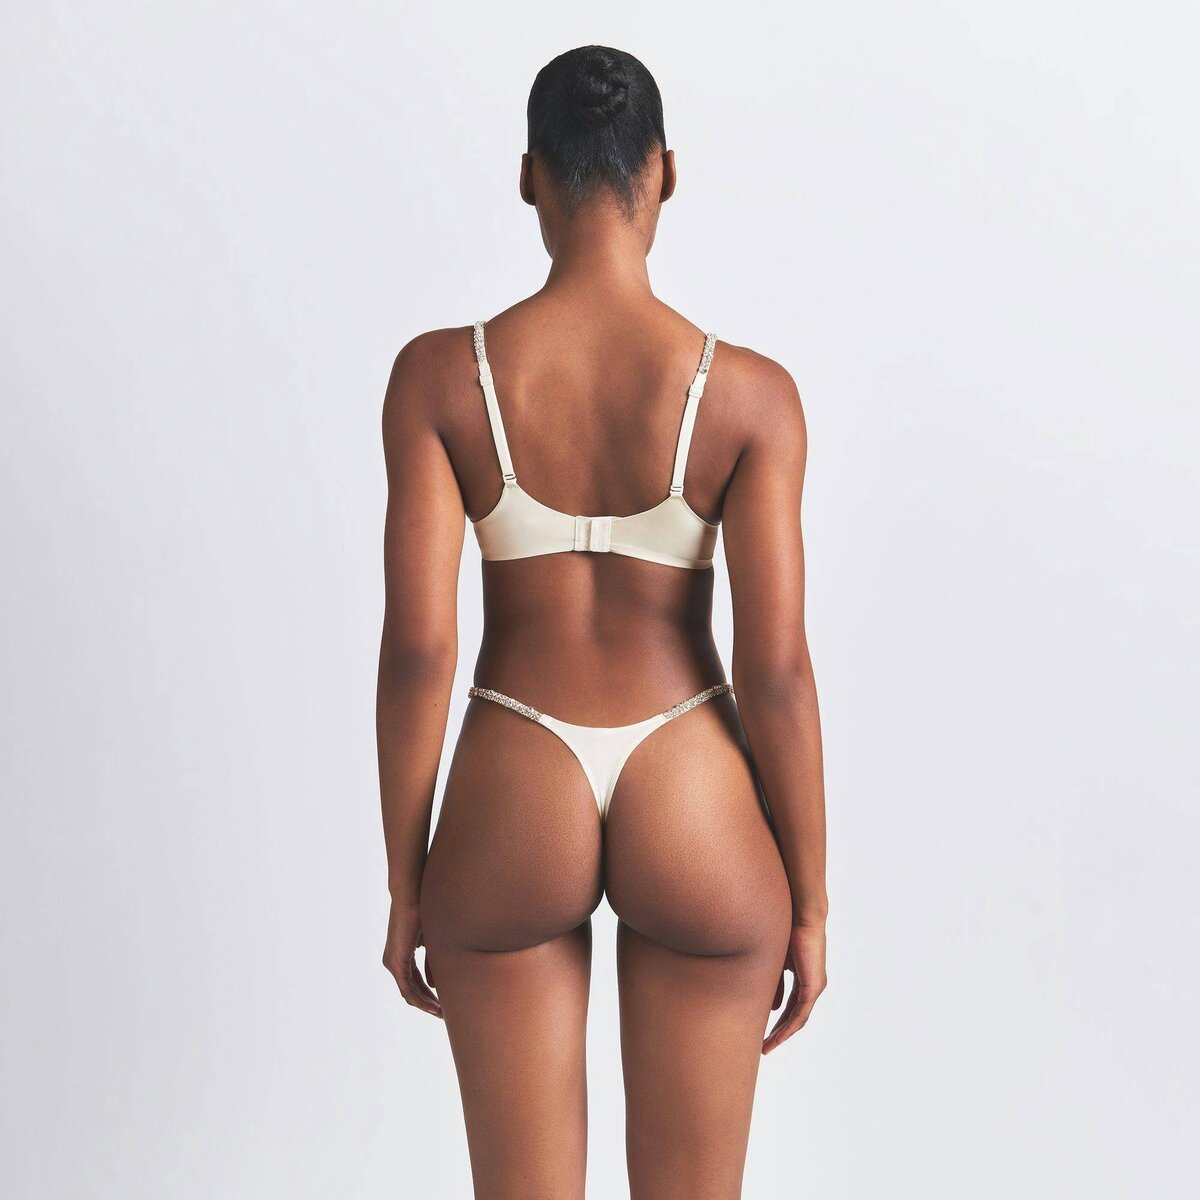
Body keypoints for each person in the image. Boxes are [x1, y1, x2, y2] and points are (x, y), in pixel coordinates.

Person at [377, 44, 827, 1200]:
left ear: (530, 175)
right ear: (664, 172)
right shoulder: (751, 397)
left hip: (514, 771)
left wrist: (406, 881)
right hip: (693, 778)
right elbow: (778, 672)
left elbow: (421, 650)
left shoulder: (440, 380)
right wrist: (812, 902)